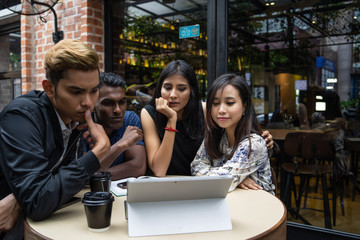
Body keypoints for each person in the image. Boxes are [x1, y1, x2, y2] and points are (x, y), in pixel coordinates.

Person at [0, 39, 110, 238]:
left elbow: (45, 187)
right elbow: (38, 202)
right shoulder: (21, 117)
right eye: (75, 92)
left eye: (94, 90)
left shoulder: (81, 117)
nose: (88, 102)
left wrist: (19, 199)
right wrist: (97, 153)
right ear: (49, 88)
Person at [141, 60, 274, 184]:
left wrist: (236, 176)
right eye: (167, 87)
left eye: (181, 88)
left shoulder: (205, 111)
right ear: (160, 88)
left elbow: (239, 143)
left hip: (203, 188)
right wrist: (172, 120)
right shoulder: (149, 113)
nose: (173, 95)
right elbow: (159, 171)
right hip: (166, 185)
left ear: (191, 90)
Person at [191, 74, 275, 194]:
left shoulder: (253, 144)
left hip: (257, 207)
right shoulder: (215, 135)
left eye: (230, 103)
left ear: (244, 106)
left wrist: (229, 179)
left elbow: (220, 180)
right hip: (227, 204)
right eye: (215, 103)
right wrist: (234, 180)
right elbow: (195, 167)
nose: (221, 110)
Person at [88, 72, 146, 180]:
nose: (118, 110)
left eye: (122, 102)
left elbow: (138, 167)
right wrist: (121, 145)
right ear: (93, 105)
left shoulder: (129, 119)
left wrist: (93, 175)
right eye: (108, 103)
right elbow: (80, 173)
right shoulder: (83, 126)